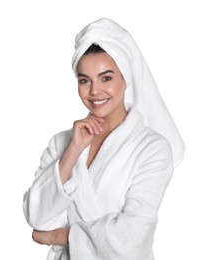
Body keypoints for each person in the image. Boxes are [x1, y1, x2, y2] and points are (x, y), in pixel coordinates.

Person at [23, 18, 185, 260]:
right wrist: (73, 151)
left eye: (106, 78)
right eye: (84, 80)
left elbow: (131, 240)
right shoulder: (60, 144)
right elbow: (37, 216)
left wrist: (61, 237)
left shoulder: (153, 149)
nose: (94, 91)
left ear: (125, 78)